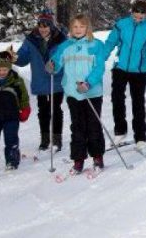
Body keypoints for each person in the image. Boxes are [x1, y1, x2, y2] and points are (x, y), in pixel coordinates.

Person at [51, 14, 113, 174]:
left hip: (92, 92)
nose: (78, 30)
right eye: (75, 27)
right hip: (73, 93)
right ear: (71, 29)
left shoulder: (96, 45)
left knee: (93, 125)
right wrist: (51, 65)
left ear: (87, 28)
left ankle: (97, 157)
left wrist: (88, 83)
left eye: (81, 27)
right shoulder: (64, 46)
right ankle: (78, 160)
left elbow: (99, 68)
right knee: (77, 127)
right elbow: (56, 63)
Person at [104, 0, 146, 152]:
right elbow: (110, 42)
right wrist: (102, 56)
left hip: (139, 70)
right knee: (117, 99)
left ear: (145, 15)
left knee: (138, 103)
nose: (138, 19)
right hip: (120, 67)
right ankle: (120, 131)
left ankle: (140, 136)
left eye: (141, 17)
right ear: (132, 12)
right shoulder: (122, 25)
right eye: (136, 16)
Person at [16, 9, 66, 152]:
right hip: (40, 80)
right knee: (43, 110)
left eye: (46, 26)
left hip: (56, 79)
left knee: (55, 109)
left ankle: (57, 139)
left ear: (51, 26)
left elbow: (66, 57)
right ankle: (45, 139)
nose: (43, 29)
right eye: (41, 26)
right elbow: (23, 58)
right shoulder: (30, 40)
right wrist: (15, 58)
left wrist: (56, 65)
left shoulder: (61, 39)